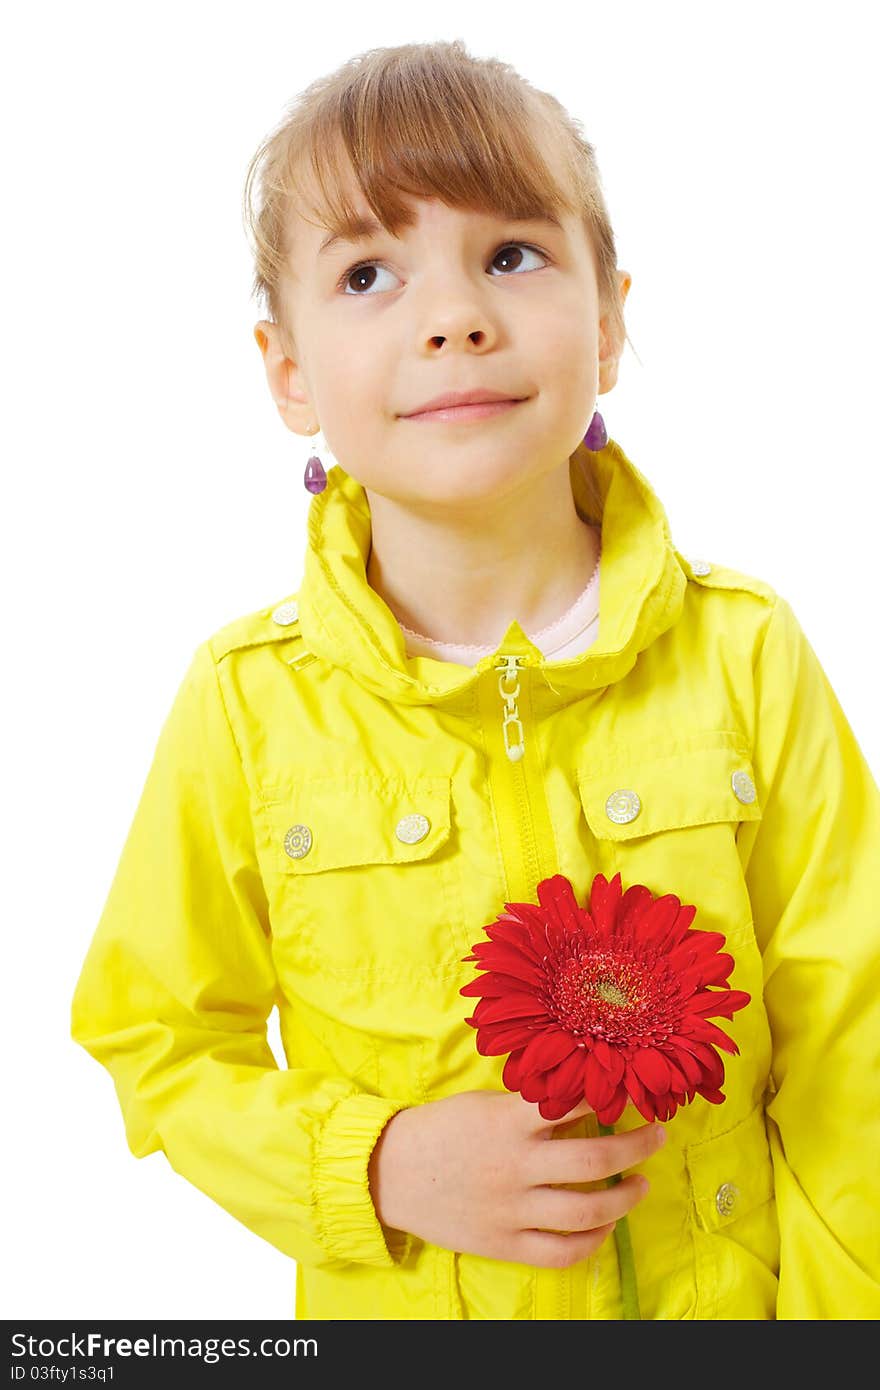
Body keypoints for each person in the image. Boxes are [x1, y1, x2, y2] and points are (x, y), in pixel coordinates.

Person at [70, 38, 880, 1321]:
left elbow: (857, 1053)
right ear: (289, 371)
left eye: (510, 254)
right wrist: (374, 1165)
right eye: (368, 272)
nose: (452, 317)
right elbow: (156, 1039)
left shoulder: (745, 656)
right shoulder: (246, 704)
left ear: (609, 322)